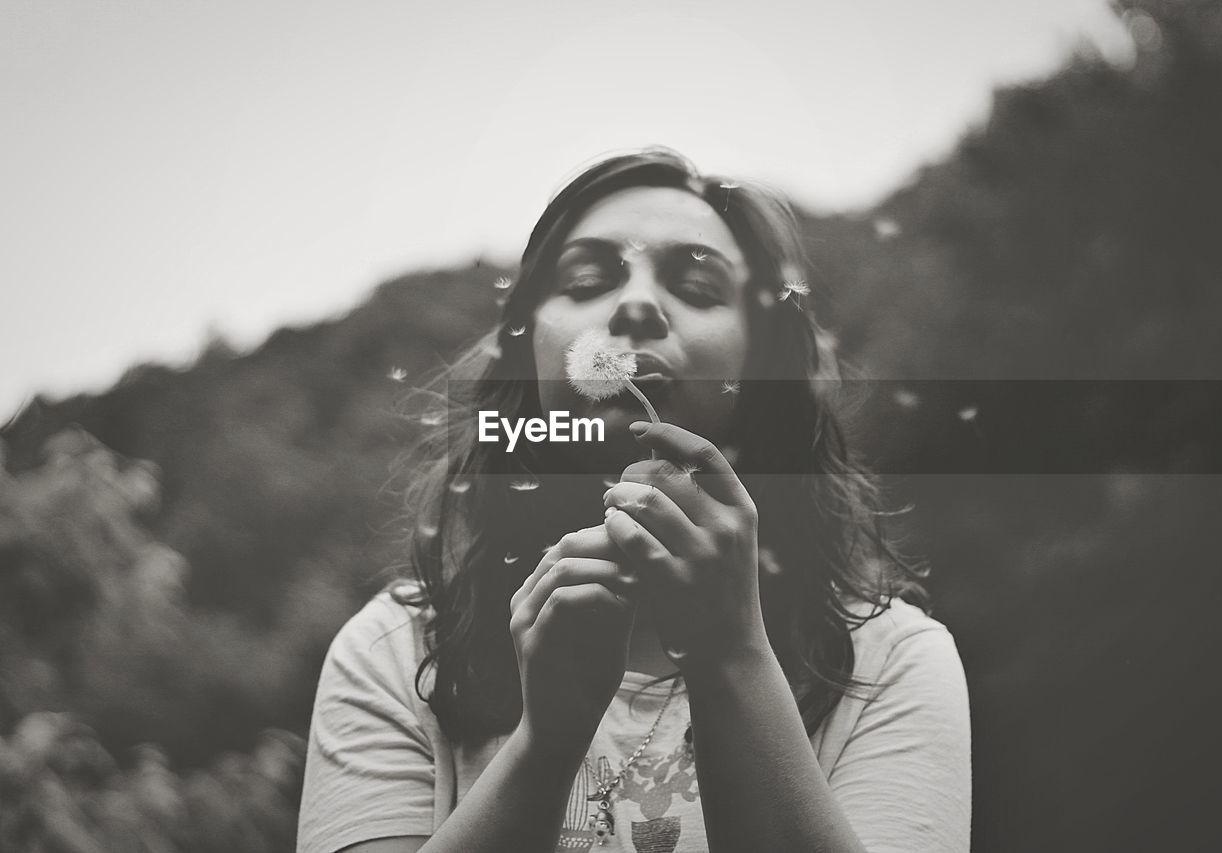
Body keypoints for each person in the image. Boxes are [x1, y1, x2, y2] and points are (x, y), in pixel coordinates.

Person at [296, 147, 971, 853]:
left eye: (701, 287)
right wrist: (544, 745)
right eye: (588, 278)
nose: (637, 304)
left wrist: (731, 655)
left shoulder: (888, 663)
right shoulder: (397, 652)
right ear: (525, 356)